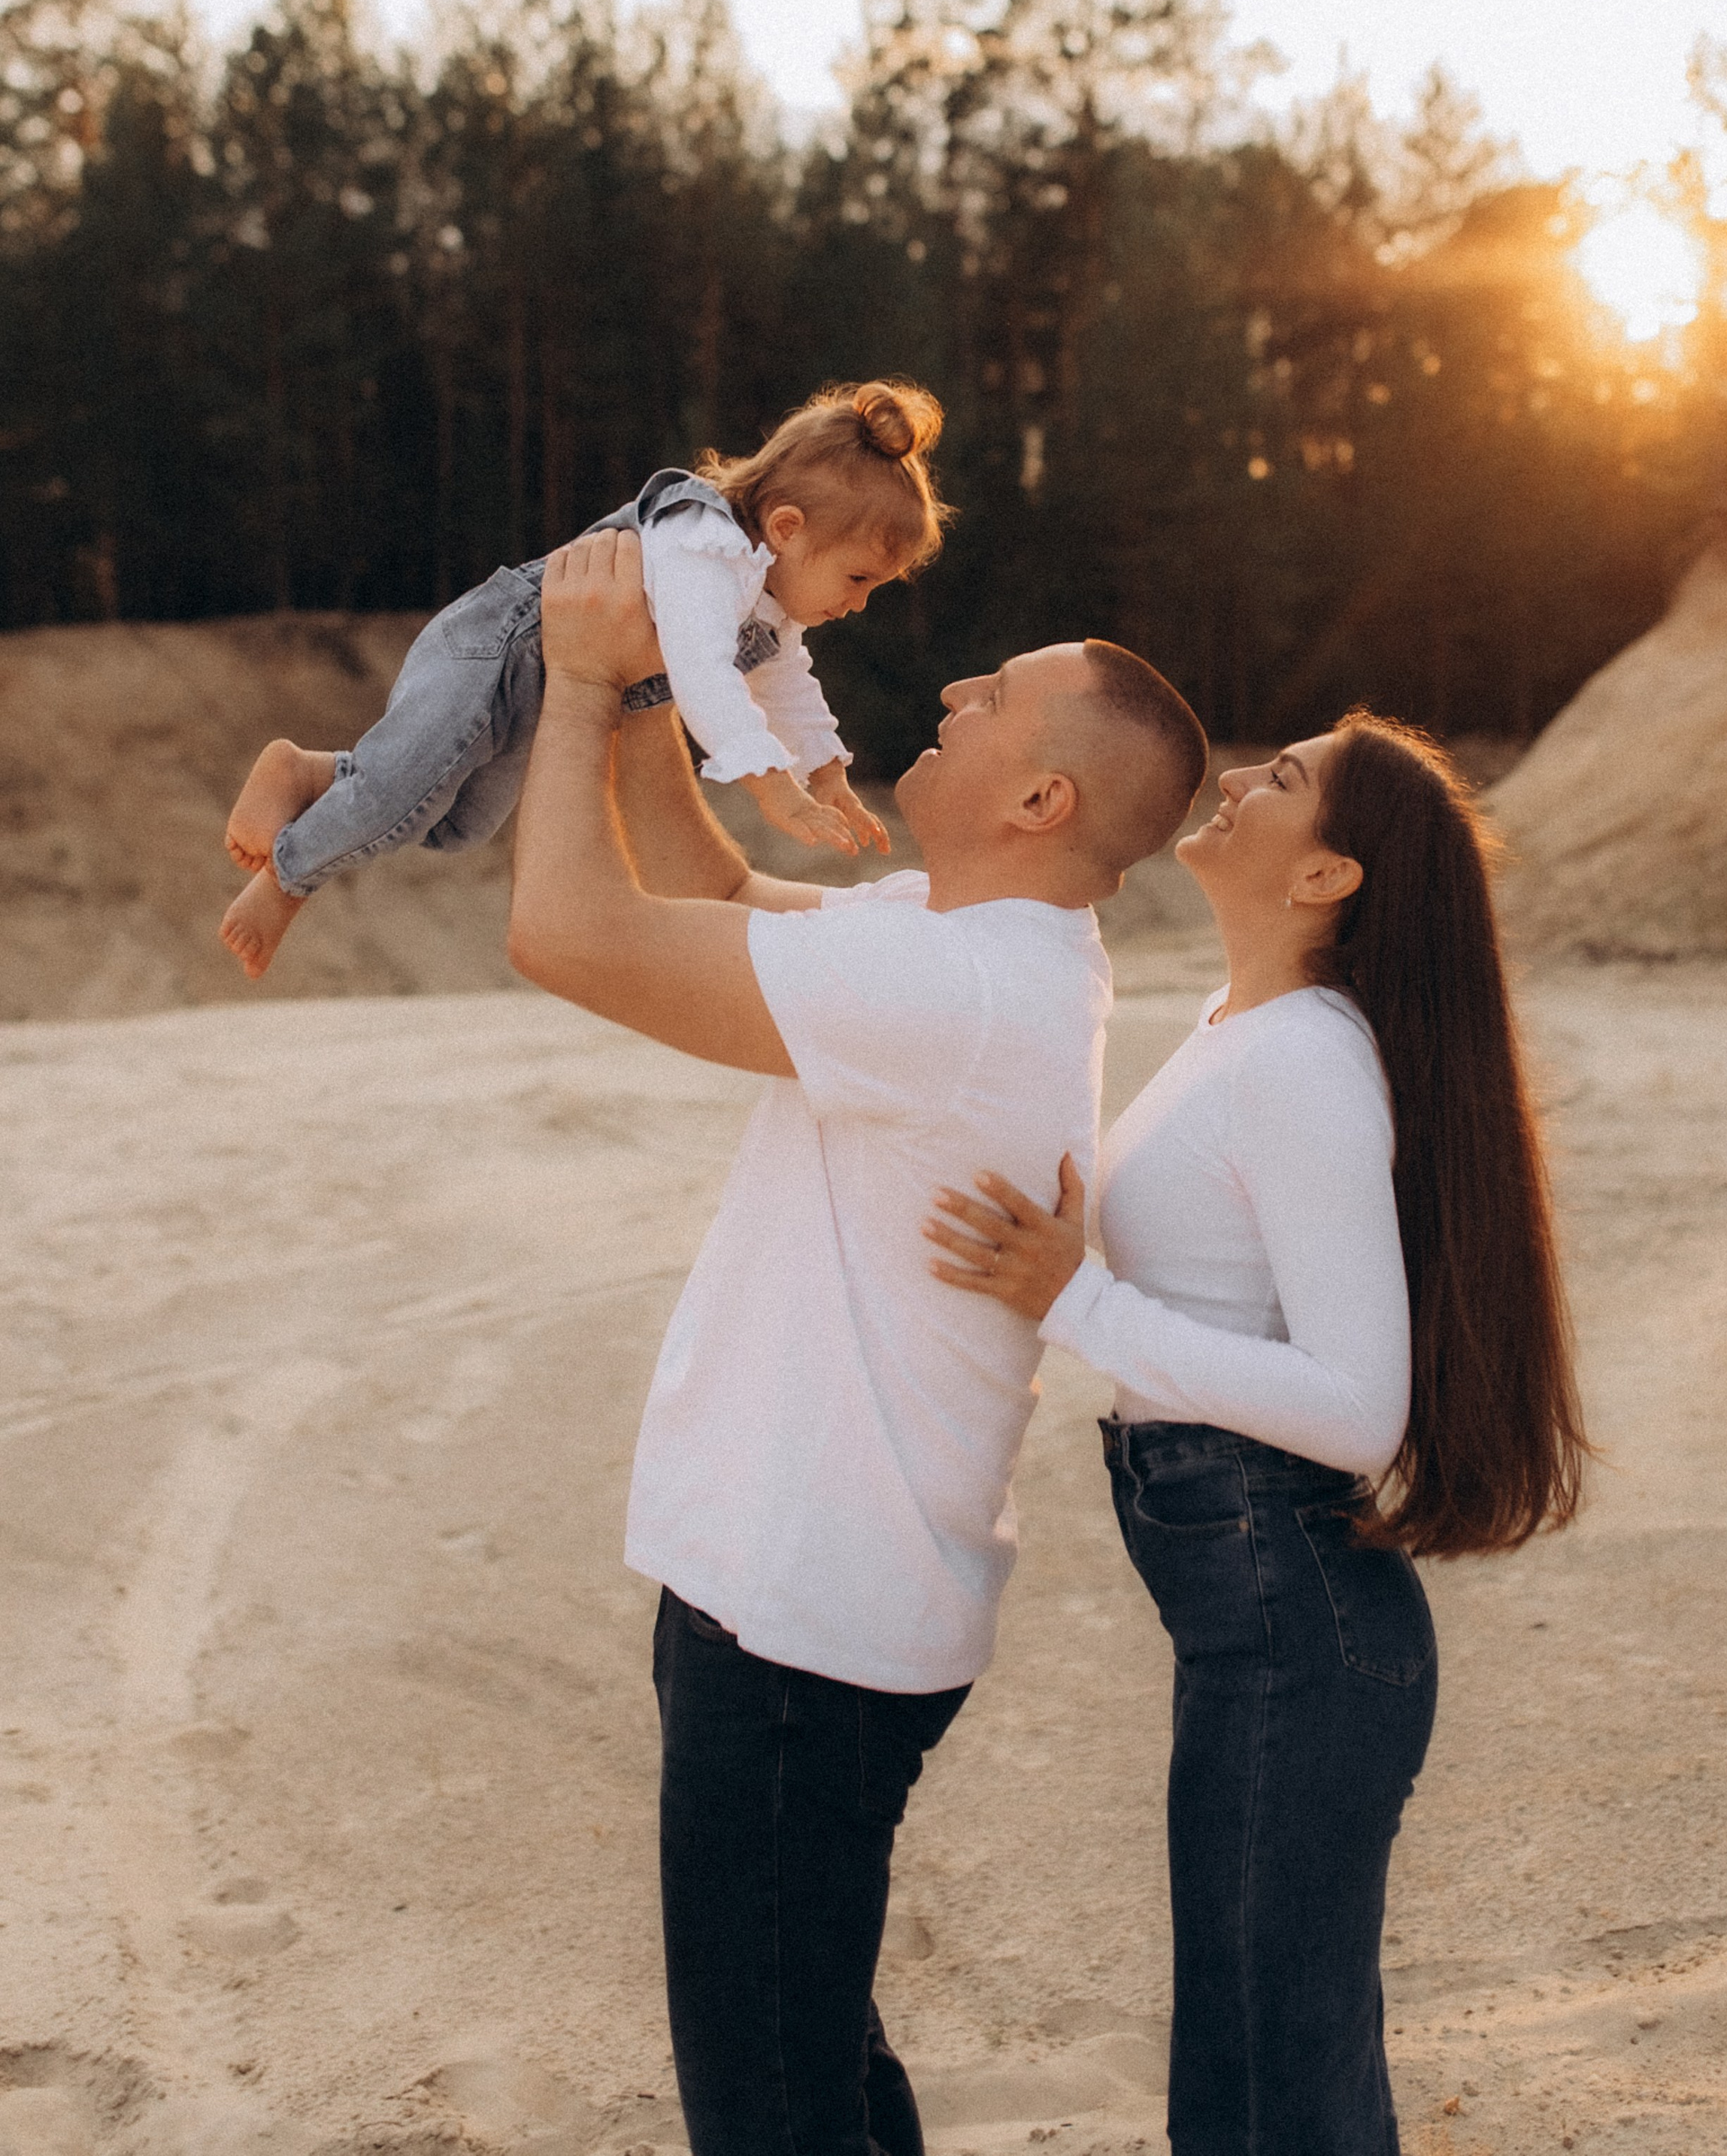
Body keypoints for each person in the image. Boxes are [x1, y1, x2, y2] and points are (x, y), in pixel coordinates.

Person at [506, 524, 1210, 2156]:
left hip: (799, 1623)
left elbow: (567, 934)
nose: (956, 686)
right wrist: (652, 686)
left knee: (769, 2099)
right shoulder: (971, 952)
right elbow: (715, 895)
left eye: (998, 699)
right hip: (824, 1602)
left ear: (1043, 803)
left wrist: (569, 686)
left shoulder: (947, 989)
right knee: (812, 2051)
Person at [926, 714, 1589, 2156]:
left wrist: (1077, 1299)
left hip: (1298, 1618)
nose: (1237, 778)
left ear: (1327, 879)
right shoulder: (1245, 1036)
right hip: (1268, 1622)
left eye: (1280, 782)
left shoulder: (1302, 1064)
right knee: (1254, 2060)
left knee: (1268, 2080)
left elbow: (1361, 1406)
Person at [217, 378, 949, 981]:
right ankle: (286, 880)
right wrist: (770, 785)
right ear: (786, 529)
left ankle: (309, 772)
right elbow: (701, 673)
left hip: (541, 690)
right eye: (858, 578)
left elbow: (787, 683)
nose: (856, 603)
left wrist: (824, 771)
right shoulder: (705, 547)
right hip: (496, 650)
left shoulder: (767, 601)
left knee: (454, 828)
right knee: (393, 800)